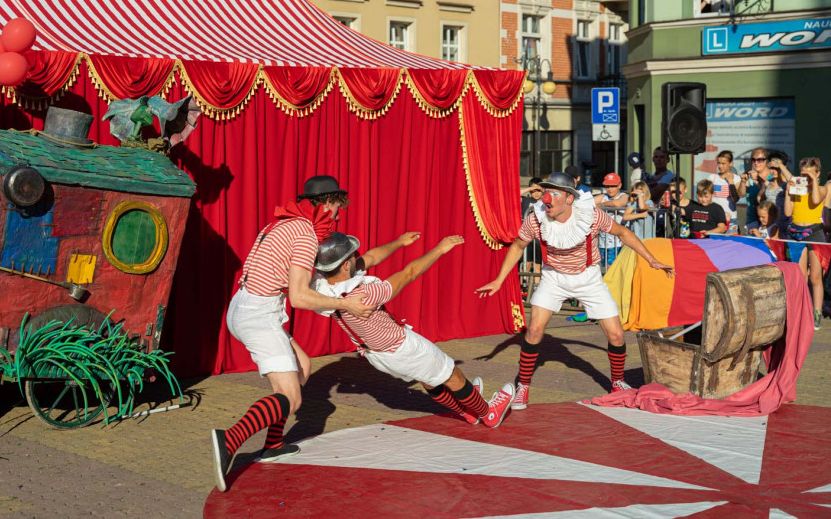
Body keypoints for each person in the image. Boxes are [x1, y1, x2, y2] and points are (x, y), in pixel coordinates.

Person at [211, 175, 376, 493]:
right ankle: (229, 440)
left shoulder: (287, 224)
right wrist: (348, 307)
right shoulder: (304, 235)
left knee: (302, 367)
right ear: (327, 203)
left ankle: (273, 446)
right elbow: (300, 297)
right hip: (258, 314)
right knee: (292, 398)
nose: (339, 216)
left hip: (250, 305)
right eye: (338, 208)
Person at [475, 172, 674, 411]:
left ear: (569, 198)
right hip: (553, 277)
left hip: (588, 277)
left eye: (555, 193)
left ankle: (617, 382)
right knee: (535, 330)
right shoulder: (536, 219)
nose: (547, 198)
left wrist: (652, 260)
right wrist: (499, 280)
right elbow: (518, 246)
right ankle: (523, 387)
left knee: (617, 336)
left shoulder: (590, 215)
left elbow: (623, 233)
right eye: (546, 192)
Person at [310, 233, 517, 427]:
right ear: (346, 265)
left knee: (428, 378)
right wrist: (440, 249)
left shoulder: (321, 287)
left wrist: (399, 242)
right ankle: (488, 413)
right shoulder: (365, 294)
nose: (358, 256)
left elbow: (370, 257)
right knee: (452, 374)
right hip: (401, 346)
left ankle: (467, 412)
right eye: (353, 255)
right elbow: (409, 273)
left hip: (375, 355)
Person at [778, 157, 827, 330]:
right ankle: (799, 311)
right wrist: (788, 193)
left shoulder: (821, 189)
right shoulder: (797, 190)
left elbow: (815, 201)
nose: (805, 179)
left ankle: (817, 313)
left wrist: (813, 181)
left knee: (815, 277)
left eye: (809, 175)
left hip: (815, 234)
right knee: (799, 277)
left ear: (818, 173)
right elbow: (787, 211)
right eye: (803, 175)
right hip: (796, 234)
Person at [595, 173, 629, 267]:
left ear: (619, 185)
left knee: (615, 270)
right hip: (604, 241)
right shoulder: (604, 196)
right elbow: (589, 202)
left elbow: (618, 203)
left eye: (613, 186)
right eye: (607, 186)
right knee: (606, 270)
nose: (610, 189)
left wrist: (602, 205)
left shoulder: (624, 195)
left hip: (618, 241)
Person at [707, 150, 742, 231]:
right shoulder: (712, 177)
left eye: (723, 164)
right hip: (715, 218)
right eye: (718, 163)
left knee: (731, 242)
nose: (720, 166)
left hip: (731, 218)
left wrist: (731, 182)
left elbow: (735, 199)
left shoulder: (736, 178)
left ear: (730, 163)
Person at [738, 147, 770, 230]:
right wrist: (743, 182)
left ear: (766, 161)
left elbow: (769, 195)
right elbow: (741, 195)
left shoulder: (772, 176)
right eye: (753, 160)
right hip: (752, 220)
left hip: (770, 220)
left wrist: (758, 179)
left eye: (760, 160)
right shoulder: (749, 176)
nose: (756, 163)